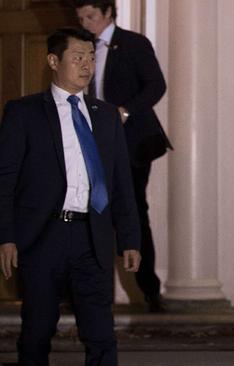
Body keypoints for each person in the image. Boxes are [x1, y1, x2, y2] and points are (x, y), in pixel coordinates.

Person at [0, 27, 141, 365]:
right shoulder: (25, 112)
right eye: (78, 57)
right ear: (53, 60)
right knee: (37, 332)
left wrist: (130, 238)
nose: (87, 65)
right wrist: (6, 237)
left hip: (91, 238)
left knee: (101, 335)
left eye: (91, 57)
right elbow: (5, 179)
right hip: (42, 237)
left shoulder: (106, 115)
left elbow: (121, 182)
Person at [74, 0, 172, 312]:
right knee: (85, 211)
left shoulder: (133, 43)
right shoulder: (81, 46)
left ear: (107, 13)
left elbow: (156, 85)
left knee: (133, 212)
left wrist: (125, 111)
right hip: (92, 142)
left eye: (90, 16)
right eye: (81, 18)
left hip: (131, 143)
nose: (85, 22)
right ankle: (82, 290)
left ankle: (150, 292)